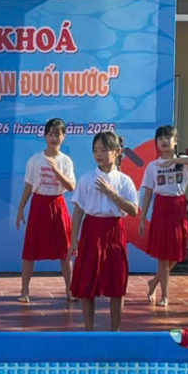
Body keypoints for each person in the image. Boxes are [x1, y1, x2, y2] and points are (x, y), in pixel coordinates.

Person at [70, 130, 139, 331]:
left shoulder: (124, 180)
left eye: (103, 149)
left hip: (114, 231)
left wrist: (112, 194)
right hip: (91, 231)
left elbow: (133, 210)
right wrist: (73, 240)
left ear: (117, 151)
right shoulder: (86, 179)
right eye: (95, 150)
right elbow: (78, 212)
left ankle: (115, 332)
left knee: (117, 282)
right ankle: (88, 331)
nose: (98, 154)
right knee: (87, 283)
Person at [136, 125, 188, 306]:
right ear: (156, 143)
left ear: (175, 141)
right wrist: (142, 218)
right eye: (160, 138)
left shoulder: (184, 162)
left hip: (178, 207)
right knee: (163, 256)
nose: (164, 141)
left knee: (177, 253)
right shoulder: (152, 166)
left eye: (168, 137)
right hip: (161, 208)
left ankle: (154, 281)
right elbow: (148, 194)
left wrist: (174, 161)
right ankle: (164, 295)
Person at [16, 118, 77, 303]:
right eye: (50, 134)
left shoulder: (66, 161)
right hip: (38, 205)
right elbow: (28, 186)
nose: (53, 138)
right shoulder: (35, 160)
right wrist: (21, 209)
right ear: (44, 136)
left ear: (64, 137)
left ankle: (70, 290)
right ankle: (24, 290)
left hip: (58, 206)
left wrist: (57, 171)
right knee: (30, 250)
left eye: (57, 134)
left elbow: (71, 186)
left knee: (65, 251)